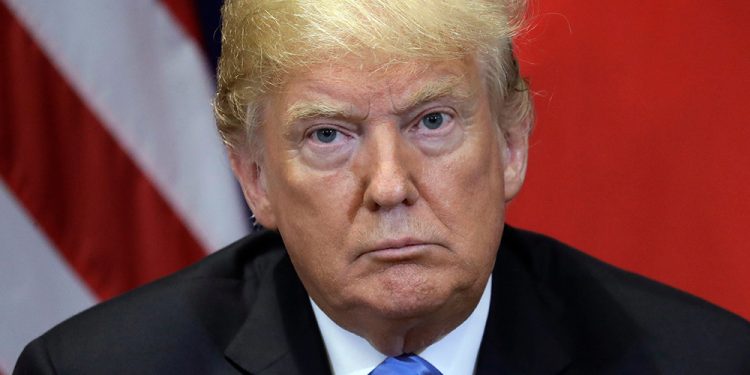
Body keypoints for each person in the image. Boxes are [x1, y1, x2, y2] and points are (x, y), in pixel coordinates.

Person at [14, 0, 750, 374]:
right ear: (254, 178)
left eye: (432, 120)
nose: (390, 185)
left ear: (511, 142)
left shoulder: (698, 363)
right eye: (328, 135)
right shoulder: (97, 371)